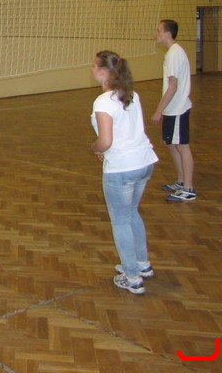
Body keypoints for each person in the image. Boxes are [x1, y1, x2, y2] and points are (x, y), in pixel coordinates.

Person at [90, 50, 158, 295]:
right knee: (131, 213)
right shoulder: (131, 94)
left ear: (104, 72)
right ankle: (142, 263)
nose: (91, 69)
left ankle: (132, 277)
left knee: (120, 220)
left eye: (94, 66)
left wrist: (95, 148)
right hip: (144, 162)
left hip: (122, 168)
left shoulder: (103, 101)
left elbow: (105, 141)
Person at [151, 19, 196, 201]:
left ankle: (188, 188)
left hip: (178, 108)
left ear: (167, 33)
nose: (156, 33)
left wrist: (158, 110)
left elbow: (173, 86)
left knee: (182, 146)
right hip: (172, 108)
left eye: (158, 30)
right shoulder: (172, 53)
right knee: (170, 143)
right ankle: (181, 180)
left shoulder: (174, 54)